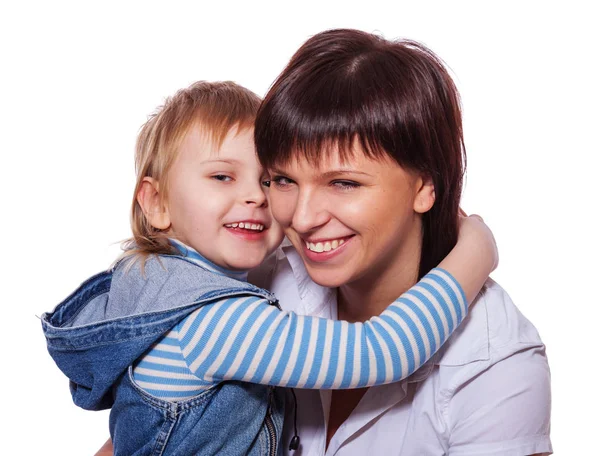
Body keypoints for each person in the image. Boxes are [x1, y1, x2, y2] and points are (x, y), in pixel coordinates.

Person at [42, 81, 497, 455]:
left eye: (269, 179)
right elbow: (383, 350)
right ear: (156, 203)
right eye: (222, 176)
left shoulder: (144, 281)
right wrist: (473, 253)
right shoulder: (216, 320)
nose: (257, 196)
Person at [252, 29, 552, 455]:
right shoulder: (255, 280)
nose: (301, 218)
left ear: (425, 186)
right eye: (284, 180)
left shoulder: (494, 362)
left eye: (343, 183)